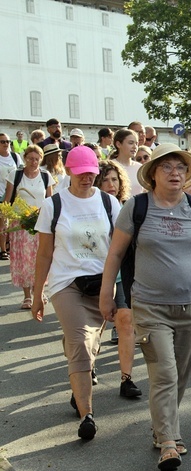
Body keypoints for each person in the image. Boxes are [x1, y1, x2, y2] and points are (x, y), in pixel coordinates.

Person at [99, 143, 191, 471]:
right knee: (165, 373)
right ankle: (169, 441)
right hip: (149, 305)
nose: (175, 173)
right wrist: (107, 294)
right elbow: (115, 254)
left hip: (190, 303)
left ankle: (163, 429)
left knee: (182, 375)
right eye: (167, 167)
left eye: (180, 168)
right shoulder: (137, 207)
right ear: (153, 174)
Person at [31, 146, 120, 440]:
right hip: (65, 282)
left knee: (89, 342)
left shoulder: (109, 203)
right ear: (68, 170)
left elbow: (121, 248)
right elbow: (44, 254)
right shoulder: (53, 205)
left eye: (91, 173)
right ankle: (87, 416)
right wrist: (37, 293)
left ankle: (77, 383)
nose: (86, 178)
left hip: (102, 283)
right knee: (82, 341)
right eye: (81, 173)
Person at [94, 160, 141, 398]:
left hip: (123, 274)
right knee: (93, 327)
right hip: (92, 274)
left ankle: (126, 379)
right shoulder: (90, 207)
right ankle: (85, 369)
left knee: (125, 321)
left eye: (114, 179)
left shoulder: (129, 207)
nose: (111, 184)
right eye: (105, 179)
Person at [4, 145, 52, 309]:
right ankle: (26, 296)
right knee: (24, 259)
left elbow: (50, 201)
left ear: (41, 159)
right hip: (22, 223)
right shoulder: (16, 175)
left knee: (41, 258)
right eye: (30, 158)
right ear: (25, 158)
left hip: (41, 222)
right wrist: (7, 218)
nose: (33, 162)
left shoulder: (46, 176)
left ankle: (38, 292)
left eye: (37, 159)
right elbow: (8, 200)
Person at [0, 132, 22, 261]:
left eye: (8, 141)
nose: (6, 144)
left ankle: (9, 245)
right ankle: (3, 249)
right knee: (3, 222)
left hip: (14, 194)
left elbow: (20, 172)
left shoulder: (15, 157)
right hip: (0, 194)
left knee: (12, 223)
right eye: (2, 142)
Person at [109, 128, 142, 195]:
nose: (135, 147)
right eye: (131, 143)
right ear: (118, 144)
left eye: (136, 144)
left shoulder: (140, 168)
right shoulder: (110, 167)